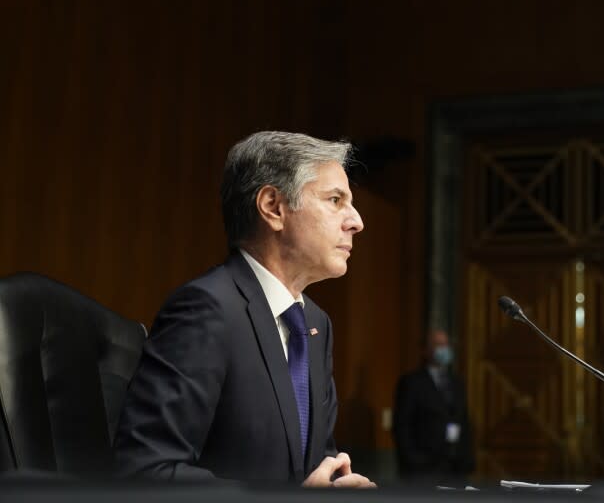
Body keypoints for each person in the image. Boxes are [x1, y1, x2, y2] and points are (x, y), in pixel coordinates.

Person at [114, 131, 375, 487]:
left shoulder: (316, 324)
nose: (356, 221)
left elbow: (315, 464)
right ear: (273, 207)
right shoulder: (207, 310)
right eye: (335, 200)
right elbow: (146, 470)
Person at [392, 329, 475, 485]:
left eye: (446, 344)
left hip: (454, 468)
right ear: (425, 350)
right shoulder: (411, 382)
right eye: (438, 345)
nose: (443, 349)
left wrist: (466, 460)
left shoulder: (457, 383)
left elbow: (463, 420)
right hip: (423, 469)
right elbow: (402, 426)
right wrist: (414, 460)